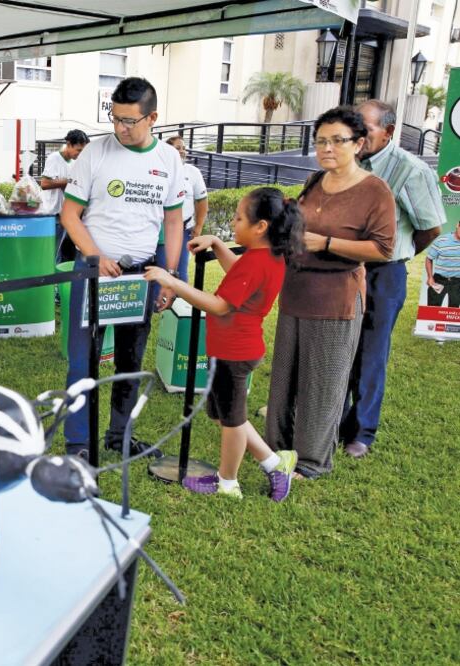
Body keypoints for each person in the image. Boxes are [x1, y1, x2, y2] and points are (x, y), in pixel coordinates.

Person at [144, 187, 302, 500]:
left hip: (234, 353)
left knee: (232, 422)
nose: (233, 222)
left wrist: (173, 282)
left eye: (239, 218)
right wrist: (217, 244)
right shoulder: (265, 256)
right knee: (224, 415)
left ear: (261, 227)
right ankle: (274, 463)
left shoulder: (257, 262)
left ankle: (227, 483)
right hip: (231, 350)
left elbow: (219, 306)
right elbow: (239, 274)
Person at [266, 106, 395, 479]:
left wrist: (325, 243)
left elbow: (383, 249)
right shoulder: (314, 181)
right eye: (321, 140)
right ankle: (276, 450)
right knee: (285, 378)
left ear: (358, 144)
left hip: (336, 297)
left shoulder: (374, 190)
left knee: (323, 383)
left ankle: (311, 461)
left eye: (337, 140)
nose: (327, 148)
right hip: (296, 291)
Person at [59, 77, 185, 458]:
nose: (120, 128)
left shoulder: (169, 160)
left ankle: (119, 435)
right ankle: (78, 443)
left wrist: (170, 275)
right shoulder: (95, 153)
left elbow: (174, 220)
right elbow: (69, 215)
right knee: (83, 360)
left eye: (129, 121)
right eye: (115, 118)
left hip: (140, 275)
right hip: (93, 273)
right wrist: (96, 257)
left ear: (152, 118)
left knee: (130, 360)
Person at [339, 99, 446, 459]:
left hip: (383, 274)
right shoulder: (348, 162)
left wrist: (395, 254)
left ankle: (361, 433)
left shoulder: (410, 170)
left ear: (388, 131)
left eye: (364, 128)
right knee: (339, 347)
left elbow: (431, 228)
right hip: (342, 269)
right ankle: (333, 421)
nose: (355, 134)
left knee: (371, 352)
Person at [153, 136, 208, 283]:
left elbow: (202, 201)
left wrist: (198, 226)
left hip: (183, 229)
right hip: (160, 229)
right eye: (178, 148)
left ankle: (179, 296)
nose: (182, 151)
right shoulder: (157, 169)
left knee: (180, 273)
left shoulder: (193, 172)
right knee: (160, 269)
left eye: (184, 148)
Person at [41, 130, 90, 263]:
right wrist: (70, 181)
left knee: (59, 252)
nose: (80, 154)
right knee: (51, 253)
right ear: (68, 144)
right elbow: (45, 183)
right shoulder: (54, 158)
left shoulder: (74, 163)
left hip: (65, 215)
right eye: (78, 150)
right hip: (52, 214)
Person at [426, 225, 460, 306]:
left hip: (457, 283)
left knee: (453, 312)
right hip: (439, 280)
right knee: (432, 310)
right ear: (457, 225)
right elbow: (429, 259)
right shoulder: (441, 240)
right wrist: (430, 277)